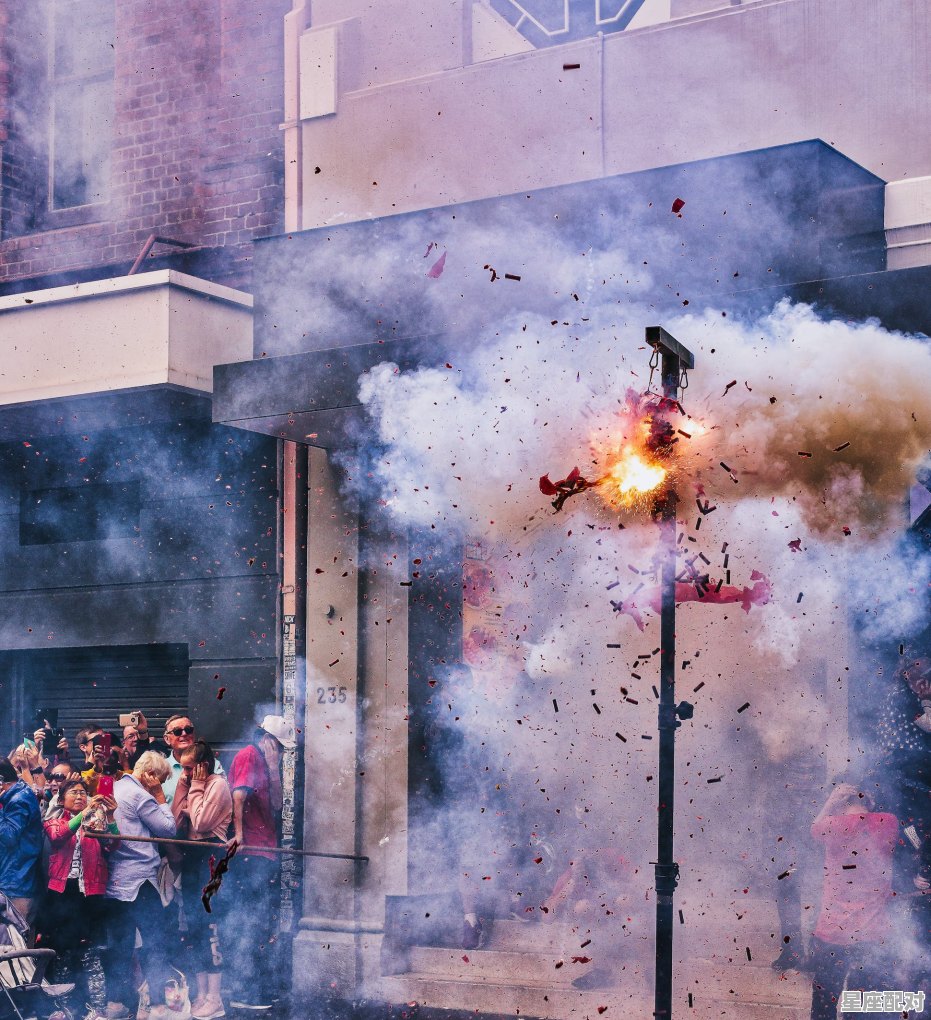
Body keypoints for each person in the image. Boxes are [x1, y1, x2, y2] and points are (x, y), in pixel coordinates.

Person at [808, 778, 900, 1020]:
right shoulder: (889, 822)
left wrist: (829, 804)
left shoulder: (831, 825)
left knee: (824, 1004)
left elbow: (814, 829)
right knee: (862, 1006)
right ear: (868, 799)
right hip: (872, 932)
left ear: (838, 804)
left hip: (832, 932)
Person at [224, 715, 294, 1011]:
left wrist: (275, 768)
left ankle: (259, 987)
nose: (281, 751)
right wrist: (240, 835)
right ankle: (245, 990)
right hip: (251, 852)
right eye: (279, 745)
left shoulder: (267, 763)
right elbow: (238, 797)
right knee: (249, 922)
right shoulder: (249, 755)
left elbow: (277, 804)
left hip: (265, 851)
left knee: (262, 921)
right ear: (267, 739)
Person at [103, 750, 177, 1020]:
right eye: (161, 780)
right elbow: (168, 829)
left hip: (115, 881)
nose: (161, 785)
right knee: (156, 943)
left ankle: (116, 1003)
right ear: (151, 775)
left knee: (119, 947)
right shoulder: (140, 795)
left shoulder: (115, 788)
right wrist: (160, 798)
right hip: (140, 881)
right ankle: (157, 1005)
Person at [42, 779, 119, 1020]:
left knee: (90, 953)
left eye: (83, 793)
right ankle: (65, 1008)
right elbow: (58, 836)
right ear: (61, 799)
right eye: (73, 792)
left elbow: (112, 845)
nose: (79, 796)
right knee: (62, 953)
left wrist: (111, 816)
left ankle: (98, 1009)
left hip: (90, 894)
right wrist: (84, 813)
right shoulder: (54, 820)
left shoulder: (96, 821)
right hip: (62, 894)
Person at [171, 741, 232, 1020]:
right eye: (182, 769)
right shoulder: (190, 783)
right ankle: (201, 993)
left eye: (188, 768)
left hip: (210, 857)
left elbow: (200, 823)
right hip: (192, 858)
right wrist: (183, 787)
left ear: (203, 766)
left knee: (209, 927)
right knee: (194, 928)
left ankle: (215, 998)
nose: (184, 773)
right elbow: (174, 821)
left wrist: (194, 788)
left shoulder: (217, 784)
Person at [0, 757, 44, 937]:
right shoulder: (14, 796)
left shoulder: (19, 799)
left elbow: (9, 837)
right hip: (12, 880)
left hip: (17, 883)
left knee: (14, 940)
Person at [161, 715, 226, 806]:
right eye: (177, 731)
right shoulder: (160, 768)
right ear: (167, 739)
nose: (184, 734)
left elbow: (222, 799)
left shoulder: (213, 764)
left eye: (188, 730)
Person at [76, 724, 125, 797]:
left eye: (104, 738)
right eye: (97, 739)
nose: (102, 742)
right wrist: (93, 765)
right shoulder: (77, 772)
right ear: (83, 747)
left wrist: (124, 761)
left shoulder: (114, 769)